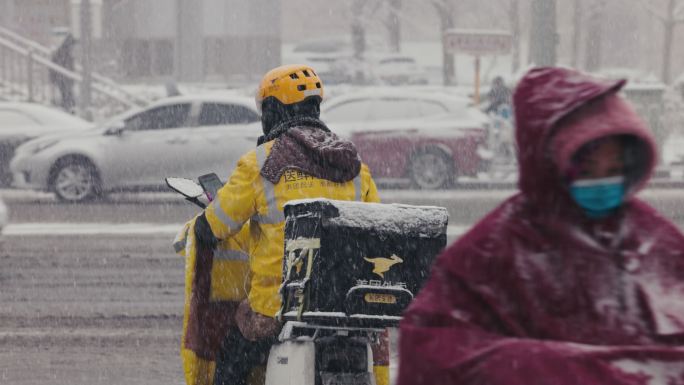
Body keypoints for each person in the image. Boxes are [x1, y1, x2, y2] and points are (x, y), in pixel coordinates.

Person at [398, 67, 684, 385]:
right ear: (551, 162)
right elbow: (431, 351)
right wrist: (569, 370)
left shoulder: (654, 238)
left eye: (616, 167)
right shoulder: (494, 250)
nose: (603, 181)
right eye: (588, 168)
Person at [188, 64, 381, 385]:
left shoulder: (261, 162)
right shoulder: (354, 167)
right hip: (345, 308)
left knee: (231, 360)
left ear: (274, 110)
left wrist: (205, 220)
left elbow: (214, 228)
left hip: (279, 308)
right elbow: (377, 230)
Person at [49, 34, 76, 112]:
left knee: (68, 97)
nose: (73, 48)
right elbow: (57, 67)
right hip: (62, 79)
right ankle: (67, 108)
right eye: (72, 46)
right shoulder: (63, 54)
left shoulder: (65, 53)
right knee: (67, 97)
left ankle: (68, 107)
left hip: (64, 79)